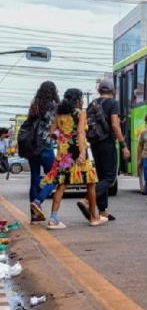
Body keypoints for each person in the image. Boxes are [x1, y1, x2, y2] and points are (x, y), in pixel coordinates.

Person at [38, 89, 107, 229]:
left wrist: (63, 137)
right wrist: (82, 152)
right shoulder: (81, 113)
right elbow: (81, 133)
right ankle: (94, 217)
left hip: (64, 153)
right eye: (81, 98)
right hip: (77, 150)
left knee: (61, 184)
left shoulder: (59, 114)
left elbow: (51, 133)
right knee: (90, 183)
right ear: (77, 100)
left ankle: (53, 219)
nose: (82, 101)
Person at [87, 79, 130, 222]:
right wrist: (123, 145)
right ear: (113, 90)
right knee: (110, 177)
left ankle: (103, 211)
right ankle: (87, 200)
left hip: (94, 143)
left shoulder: (92, 104)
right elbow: (115, 125)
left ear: (99, 90)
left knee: (101, 176)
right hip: (107, 142)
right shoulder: (113, 103)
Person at [26, 81, 60, 224]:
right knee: (55, 177)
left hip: (31, 146)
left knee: (34, 178)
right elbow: (56, 127)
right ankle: (39, 201)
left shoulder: (35, 104)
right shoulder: (54, 107)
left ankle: (34, 216)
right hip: (45, 146)